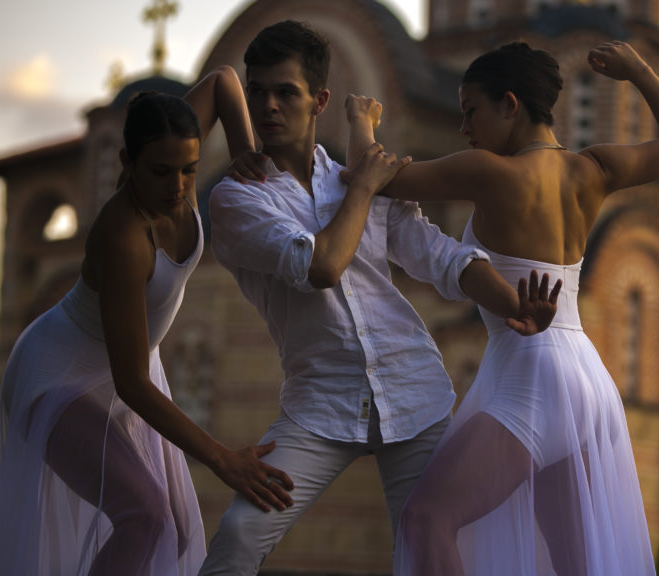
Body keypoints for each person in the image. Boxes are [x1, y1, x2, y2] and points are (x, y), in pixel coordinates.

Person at [199, 20, 559, 575]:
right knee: (240, 535)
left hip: (416, 391)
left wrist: (514, 304)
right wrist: (364, 187)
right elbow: (319, 266)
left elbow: (442, 257)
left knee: (431, 545)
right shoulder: (234, 198)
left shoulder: (352, 175)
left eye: (285, 92)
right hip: (320, 406)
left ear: (319, 99)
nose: (269, 105)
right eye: (258, 92)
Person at [345, 41, 659, 575]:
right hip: (585, 377)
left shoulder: (491, 172)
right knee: (574, 561)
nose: (464, 127)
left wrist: (361, 121)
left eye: (472, 111)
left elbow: (370, 179)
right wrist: (640, 72)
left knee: (426, 518)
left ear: (510, 104)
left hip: (531, 379)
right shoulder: (595, 168)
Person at [0, 67, 295, 576]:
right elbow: (131, 382)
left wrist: (243, 154)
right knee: (145, 516)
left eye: (190, 170)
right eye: (161, 172)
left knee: (175, 525)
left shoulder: (173, 148)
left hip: (126, 365)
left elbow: (223, 82)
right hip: (58, 376)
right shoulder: (124, 236)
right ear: (127, 163)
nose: (177, 186)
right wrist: (223, 460)